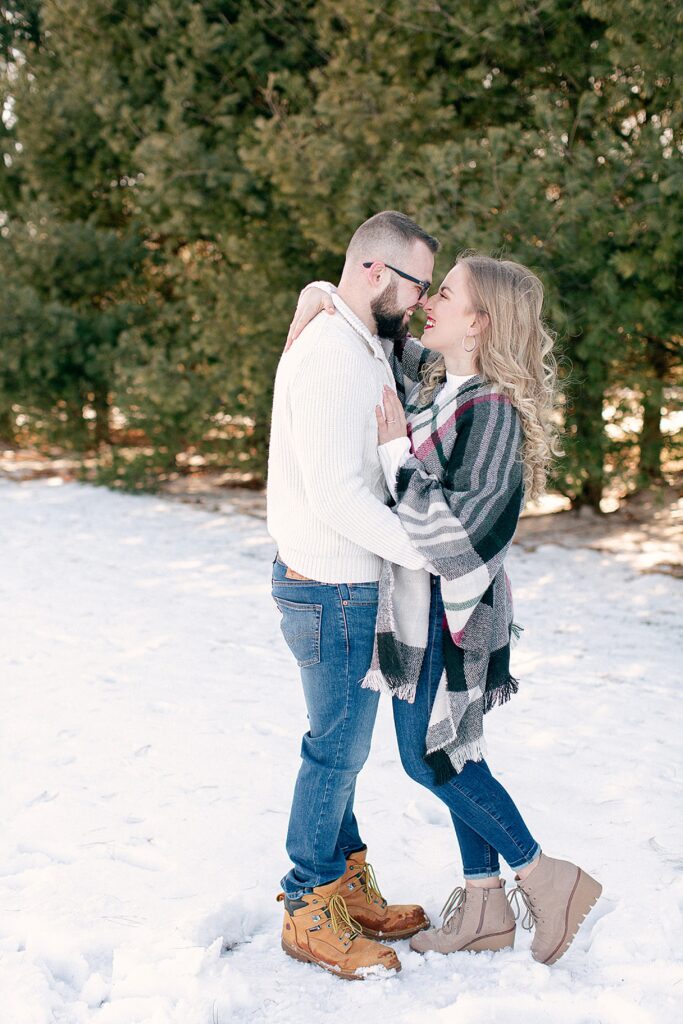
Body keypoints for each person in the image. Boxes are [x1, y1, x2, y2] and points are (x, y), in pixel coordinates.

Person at [289, 253, 602, 966]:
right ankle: (484, 905)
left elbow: (457, 539)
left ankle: (543, 876)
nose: (428, 300)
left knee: (431, 758)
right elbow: (373, 328)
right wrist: (319, 293)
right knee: (452, 750)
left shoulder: (488, 408)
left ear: (479, 322)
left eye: (447, 293)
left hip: (452, 612)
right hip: (423, 608)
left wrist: (397, 455)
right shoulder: (443, 388)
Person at [267, 211, 442, 981]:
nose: (420, 302)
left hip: (343, 586)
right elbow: (337, 496)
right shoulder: (335, 354)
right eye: (415, 284)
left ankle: (345, 886)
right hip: (333, 587)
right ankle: (308, 906)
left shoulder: (355, 334)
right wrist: (429, 552)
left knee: (341, 749)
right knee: (333, 752)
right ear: (375, 273)